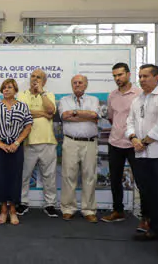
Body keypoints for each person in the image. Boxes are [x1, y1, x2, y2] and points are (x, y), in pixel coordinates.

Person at [126, 64, 158, 257]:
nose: (142, 79)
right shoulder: (137, 99)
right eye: (140, 76)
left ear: (157, 78)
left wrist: (144, 142)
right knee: (148, 196)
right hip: (142, 155)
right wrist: (133, 138)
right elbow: (129, 122)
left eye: (146, 76)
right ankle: (153, 230)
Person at [102, 63, 148, 229]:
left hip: (135, 144)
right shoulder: (112, 95)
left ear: (129, 74)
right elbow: (111, 118)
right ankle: (118, 211)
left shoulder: (140, 94)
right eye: (114, 75)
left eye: (120, 75)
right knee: (115, 179)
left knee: (142, 181)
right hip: (115, 143)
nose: (117, 78)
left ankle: (145, 218)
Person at [0, 79, 32, 225]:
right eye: (4, 88)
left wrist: (17, 142)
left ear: (15, 90)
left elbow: (28, 126)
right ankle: (3, 210)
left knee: (15, 178)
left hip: (16, 147)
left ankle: (13, 210)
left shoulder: (23, 106)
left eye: (9, 87)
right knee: (0, 178)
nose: (6, 90)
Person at [16, 69, 58, 217]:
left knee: (49, 175)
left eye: (38, 77)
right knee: (24, 175)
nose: (35, 79)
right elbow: (22, 112)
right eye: (33, 76)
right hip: (27, 141)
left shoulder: (49, 95)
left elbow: (51, 110)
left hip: (47, 141)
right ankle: (23, 202)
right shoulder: (22, 95)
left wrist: (42, 93)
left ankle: (50, 204)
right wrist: (42, 114)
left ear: (44, 81)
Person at [58, 74, 100, 223]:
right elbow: (64, 116)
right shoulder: (64, 100)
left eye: (80, 82)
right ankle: (68, 208)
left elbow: (95, 115)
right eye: (74, 82)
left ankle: (89, 210)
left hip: (89, 142)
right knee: (68, 176)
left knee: (89, 176)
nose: (77, 85)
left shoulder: (93, 100)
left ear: (86, 85)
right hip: (70, 142)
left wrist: (74, 113)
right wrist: (86, 115)